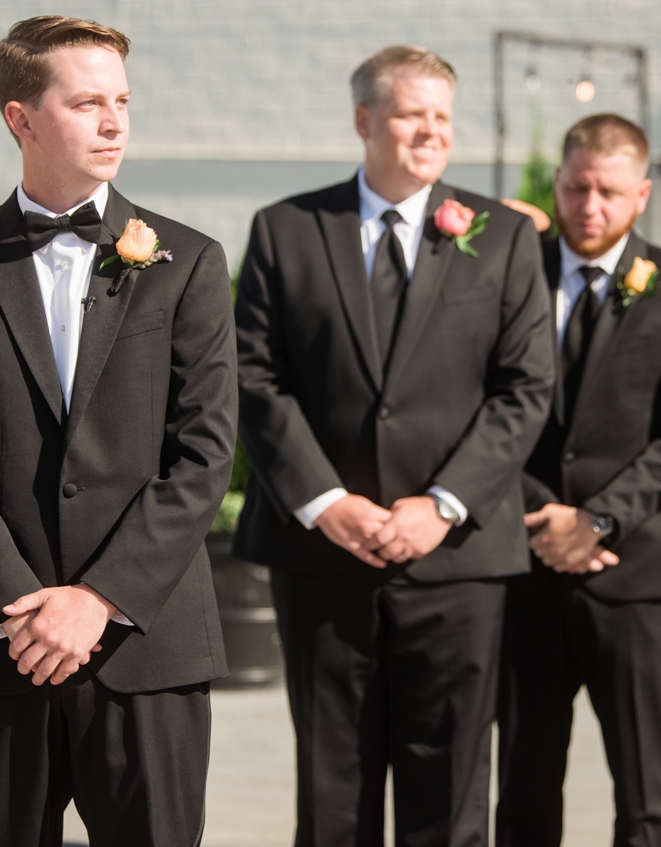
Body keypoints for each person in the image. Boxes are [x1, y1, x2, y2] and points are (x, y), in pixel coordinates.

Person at [0, 16, 237, 846]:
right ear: (21, 118)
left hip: (144, 651)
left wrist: (98, 599)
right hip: (0, 648)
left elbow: (203, 452)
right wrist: (24, 609)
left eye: (121, 99)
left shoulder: (187, 261)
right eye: (87, 102)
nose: (114, 120)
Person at [231, 46, 555, 846]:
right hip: (325, 555)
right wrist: (327, 501)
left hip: (457, 556)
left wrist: (442, 505)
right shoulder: (287, 230)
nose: (431, 132)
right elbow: (253, 376)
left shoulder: (504, 235)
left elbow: (525, 389)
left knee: (448, 790)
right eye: (413, 113)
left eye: (443, 116)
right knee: (332, 782)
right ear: (364, 121)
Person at [496, 115, 661, 847]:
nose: (590, 206)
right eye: (576, 187)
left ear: (642, 194)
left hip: (635, 575)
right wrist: (543, 514)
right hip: (524, 563)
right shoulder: (511, 265)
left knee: (650, 792)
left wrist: (594, 519)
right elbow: (484, 405)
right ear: (559, 183)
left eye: (609, 191)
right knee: (525, 784)